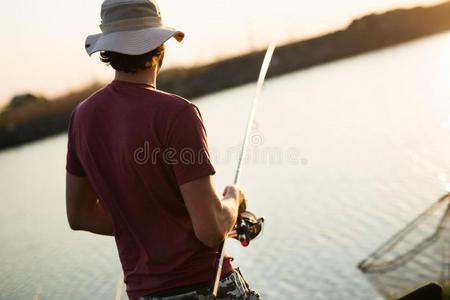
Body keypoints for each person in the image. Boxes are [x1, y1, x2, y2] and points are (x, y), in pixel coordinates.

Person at [65, 1, 260, 299]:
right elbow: (209, 230)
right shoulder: (177, 113)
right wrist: (234, 198)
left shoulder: (81, 117)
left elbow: (79, 215)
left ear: (108, 50)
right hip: (205, 287)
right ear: (161, 46)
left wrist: (148, 227)